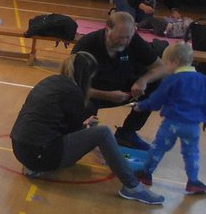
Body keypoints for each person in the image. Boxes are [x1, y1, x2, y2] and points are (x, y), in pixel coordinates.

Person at [10, 52, 165, 205]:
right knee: (103, 133)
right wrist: (87, 128)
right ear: (86, 77)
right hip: (40, 154)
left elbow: (52, 123)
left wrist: (84, 127)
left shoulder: (50, 82)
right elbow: (73, 130)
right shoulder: (72, 92)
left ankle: (35, 166)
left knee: (85, 136)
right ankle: (133, 187)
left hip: (21, 150)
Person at [71, 10, 169, 150]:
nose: (124, 41)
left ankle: (127, 133)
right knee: (82, 103)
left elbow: (160, 68)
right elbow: (73, 87)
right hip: (93, 93)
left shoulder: (133, 40)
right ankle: (84, 132)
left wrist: (142, 81)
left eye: (128, 37)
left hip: (123, 89)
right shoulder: (87, 45)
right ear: (107, 30)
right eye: (120, 37)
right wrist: (107, 95)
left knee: (156, 84)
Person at [133, 43, 206, 195]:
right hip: (192, 126)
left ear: (175, 62)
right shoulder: (204, 80)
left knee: (158, 148)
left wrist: (142, 106)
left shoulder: (172, 80)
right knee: (192, 152)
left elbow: (157, 99)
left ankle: (145, 174)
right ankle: (193, 181)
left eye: (166, 63)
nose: (165, 67)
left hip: (172, 124)